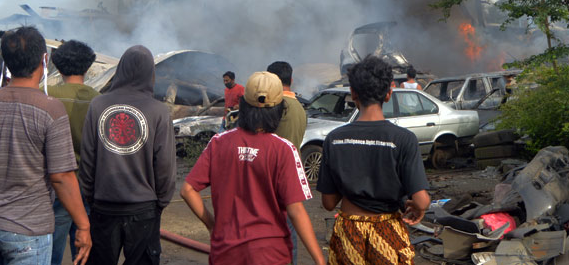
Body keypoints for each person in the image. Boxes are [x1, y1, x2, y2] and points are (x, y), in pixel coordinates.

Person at [0, 27, 91, 265]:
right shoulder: (50, 108)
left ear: (5, 62)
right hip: (29, 231)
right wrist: (83, 225)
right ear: (44, 60)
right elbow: (61, 177)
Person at [182, 72, 324, 265]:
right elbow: (296, 210)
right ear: (278, 110)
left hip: (226, 252)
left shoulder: (218, 142)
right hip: (270, 255)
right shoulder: (283, 149)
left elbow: (187, 190)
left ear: (244, 106)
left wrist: (212, 225)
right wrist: (319, 259)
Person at [317, 56, 430, 265]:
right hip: (388, 233)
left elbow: (329, 203)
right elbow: (422, 200)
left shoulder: (335, 139)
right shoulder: (404, 139)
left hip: (348, 233)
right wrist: (418, 208)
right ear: (388, 94)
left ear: (353, 94)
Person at [79, 45, 174, 265]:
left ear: (119, 70)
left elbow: (88, 157)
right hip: (143, 208)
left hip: (103, 206)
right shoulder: (158, 110)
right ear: (150, 74)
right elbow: (166, 165)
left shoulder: (98, 105)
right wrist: (161, 201)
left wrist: (90, 196)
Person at [47, 41, 99, 265]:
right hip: (88, 186)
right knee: (84, 249)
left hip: (53, 185)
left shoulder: (45, 95)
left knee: (51, 251)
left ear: (58, 67)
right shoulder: (99, 100)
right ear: (87, 67)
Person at [266, 60, 308, 264]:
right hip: (293, 176)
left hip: (274, 178)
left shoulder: (277, 106)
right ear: (290, 80)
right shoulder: (300, 107)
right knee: (289, 233)